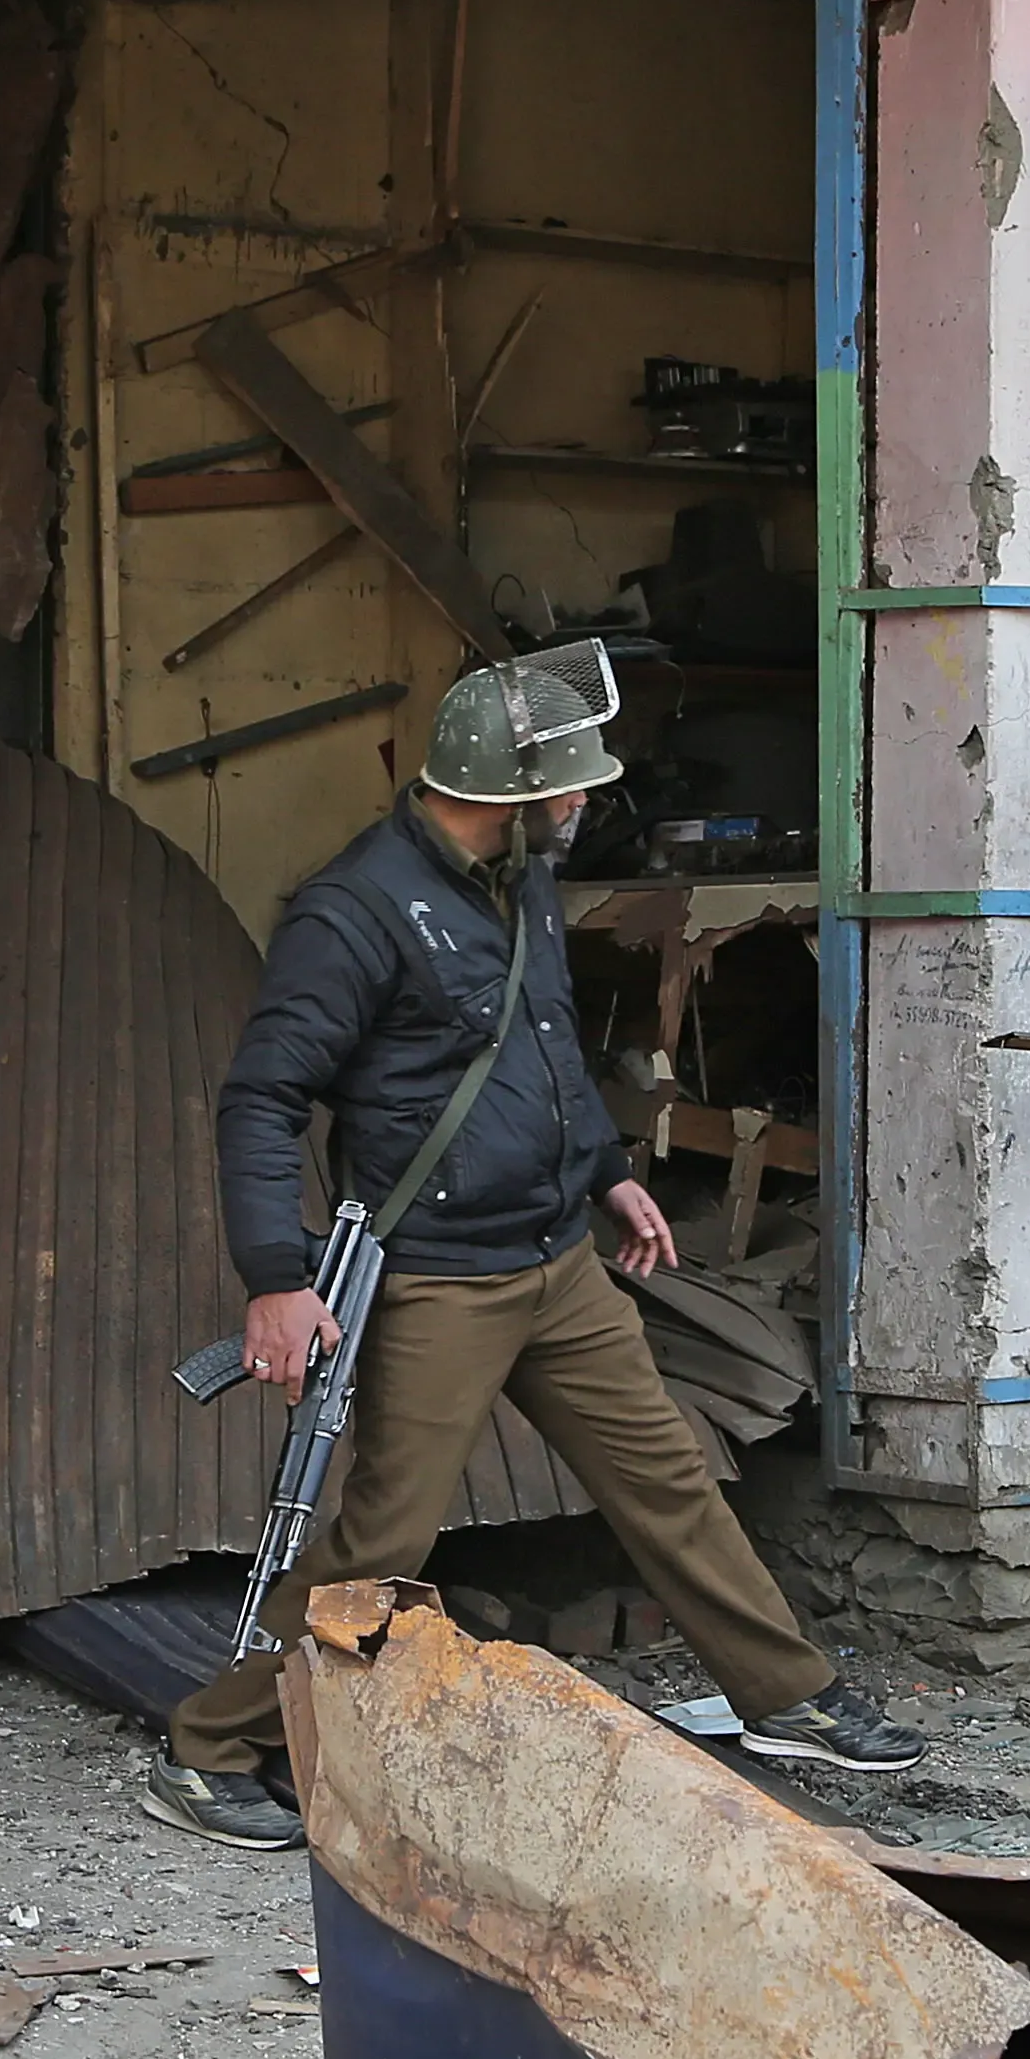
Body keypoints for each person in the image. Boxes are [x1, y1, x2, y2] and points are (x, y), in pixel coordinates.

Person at [146, 647, 916, 1846]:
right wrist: (276, 1283)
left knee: (664, 1476)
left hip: (558, 1260)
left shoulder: (521, 882)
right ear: (512, 795)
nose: (588, 805)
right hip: (441, 1279)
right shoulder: (349, 914)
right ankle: (212, 1747)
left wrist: (609, 1176)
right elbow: (261, 1102)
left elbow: (542, 1046)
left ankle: (789, 1695)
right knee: (384, 1544)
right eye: (572, 789)